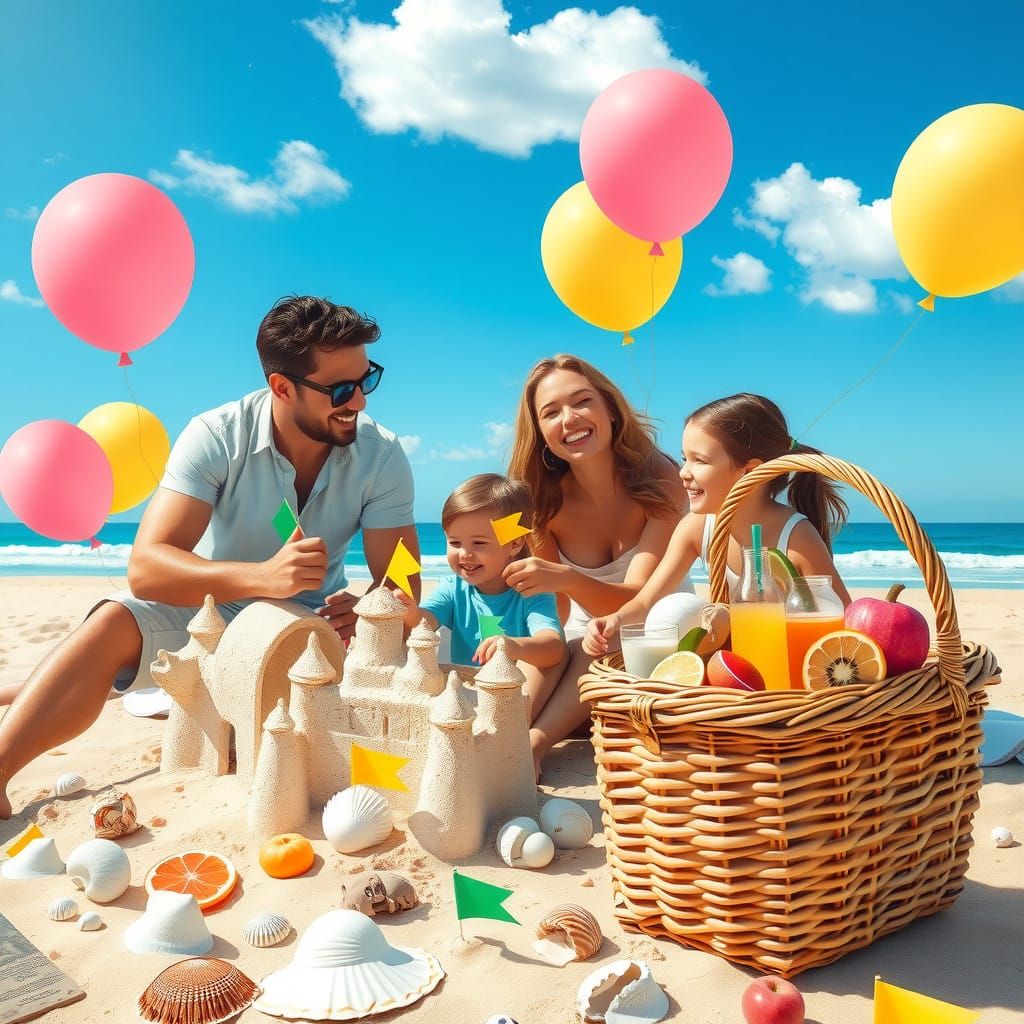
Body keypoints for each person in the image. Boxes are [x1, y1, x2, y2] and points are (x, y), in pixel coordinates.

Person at [0, 295, 419, 819]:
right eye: (340, 389)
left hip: (314, 627)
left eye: (366, 380)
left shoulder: (382, 455)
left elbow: (402, 574)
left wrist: (372, 607)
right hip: (213, 609)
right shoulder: (216, 435)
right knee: (110, 621)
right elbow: (147, 567)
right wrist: (260, 578)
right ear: (281, 387)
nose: (359, 402)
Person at [504, 355, 689, 779]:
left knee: (602, 642)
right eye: (550, 412)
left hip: (657, 627)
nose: (569, 419)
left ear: (609, 407)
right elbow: (561, 613)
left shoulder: (663, 476)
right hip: (586, 637)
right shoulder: (540, 499)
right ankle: (500, 734)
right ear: (540, 432)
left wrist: (566, 578)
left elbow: (639, 599)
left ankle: (535, 743)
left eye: (582, 402)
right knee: (556, 647)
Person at [584, 392, 851, 658]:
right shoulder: (695, 527)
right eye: (684, 458)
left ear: (750, 471)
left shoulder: (796, 537)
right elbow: (647, 600)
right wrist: (616, 619)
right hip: (731, 672)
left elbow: (847, 624)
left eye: (699, 460)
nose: (682, 472)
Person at [394, 474, 565, 672]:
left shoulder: (532, 591)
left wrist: (514, 646)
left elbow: (553, 647)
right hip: (466, 692)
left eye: (479, 543)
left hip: (517, 692)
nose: (465, 553)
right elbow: (425, 622)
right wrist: (411, 612)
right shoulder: (453, 588)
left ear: (515, 543)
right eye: (455, 543)